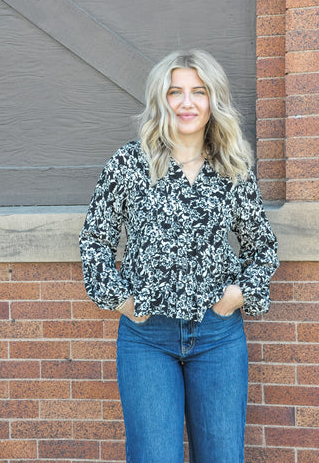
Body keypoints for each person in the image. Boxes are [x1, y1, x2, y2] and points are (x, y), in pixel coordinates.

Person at [79, 49, 279, 463]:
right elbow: (95, 240)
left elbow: (262, 247)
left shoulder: (232, 168)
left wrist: (237, 295)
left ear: (213, 101)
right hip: (147, 338)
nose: (187, 102)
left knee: (222, 456)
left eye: (198, 92)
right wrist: (122, 301)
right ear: (161, 99)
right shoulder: (129, 163)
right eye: (176, 92)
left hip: (218, 337)